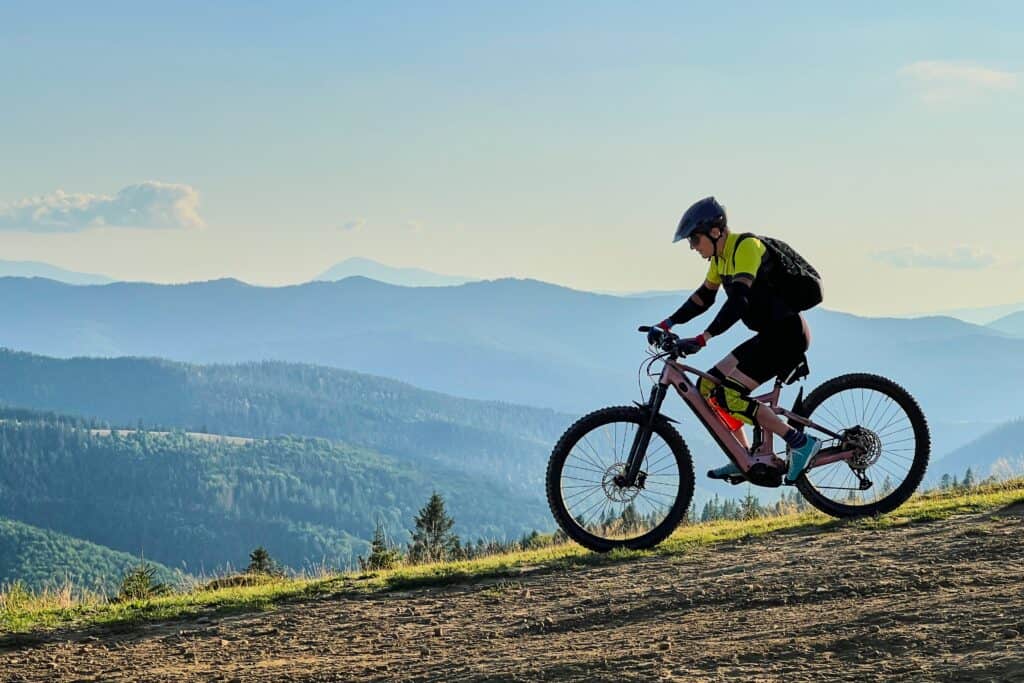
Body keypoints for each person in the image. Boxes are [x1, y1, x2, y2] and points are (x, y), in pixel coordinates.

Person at [647, 196, 820, 484]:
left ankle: (801, 443)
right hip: (769, 336)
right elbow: (702, 298)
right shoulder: (719, 259)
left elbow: (738, 301)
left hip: (787, 336)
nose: (693, 247)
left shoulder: (747, 248)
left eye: (695, 239)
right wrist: (666, 324)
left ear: (715, 232)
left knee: (729, 395)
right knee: (707, 387)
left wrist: (704, 337)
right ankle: (743, 458)